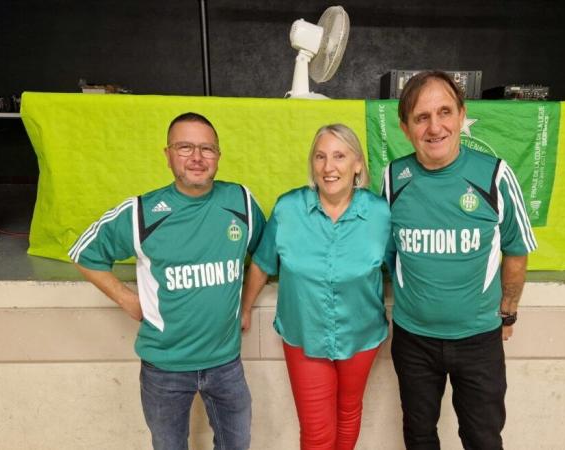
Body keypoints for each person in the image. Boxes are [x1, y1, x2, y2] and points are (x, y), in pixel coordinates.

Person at [69, 112, 265, 450]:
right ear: (168, 154)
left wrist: (245, 306)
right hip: (165, 367)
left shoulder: (241, 202)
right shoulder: (141, 213)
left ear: (218, 155)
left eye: (207, 148)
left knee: (237, 444)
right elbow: (84, 254)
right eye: (185, 147)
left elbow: (263, 255)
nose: (197, 158)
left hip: (225, 362)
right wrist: (127, 299)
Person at [382, 71, 537, 450]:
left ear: (461, 115)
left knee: (482, 439)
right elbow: (388, 251)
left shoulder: (494, 175)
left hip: (478, 341)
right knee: (419, 437)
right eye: (421, 117)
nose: (435, 127)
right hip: (413, 339)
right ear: (405, 128)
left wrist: (508, 310)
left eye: (444, 112)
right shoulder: (393, 177)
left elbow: (516, 249)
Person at [241, 124, 391, 450]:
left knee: (349, 412)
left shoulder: (381, 214)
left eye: (339, 156)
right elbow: (263, 263)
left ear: (358, 165)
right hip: (304, 334)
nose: (328, 166)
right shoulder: (288, 209)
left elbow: (403, 269)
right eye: (320, 156)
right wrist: (245, 308)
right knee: (316, 431)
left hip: (362, 334)